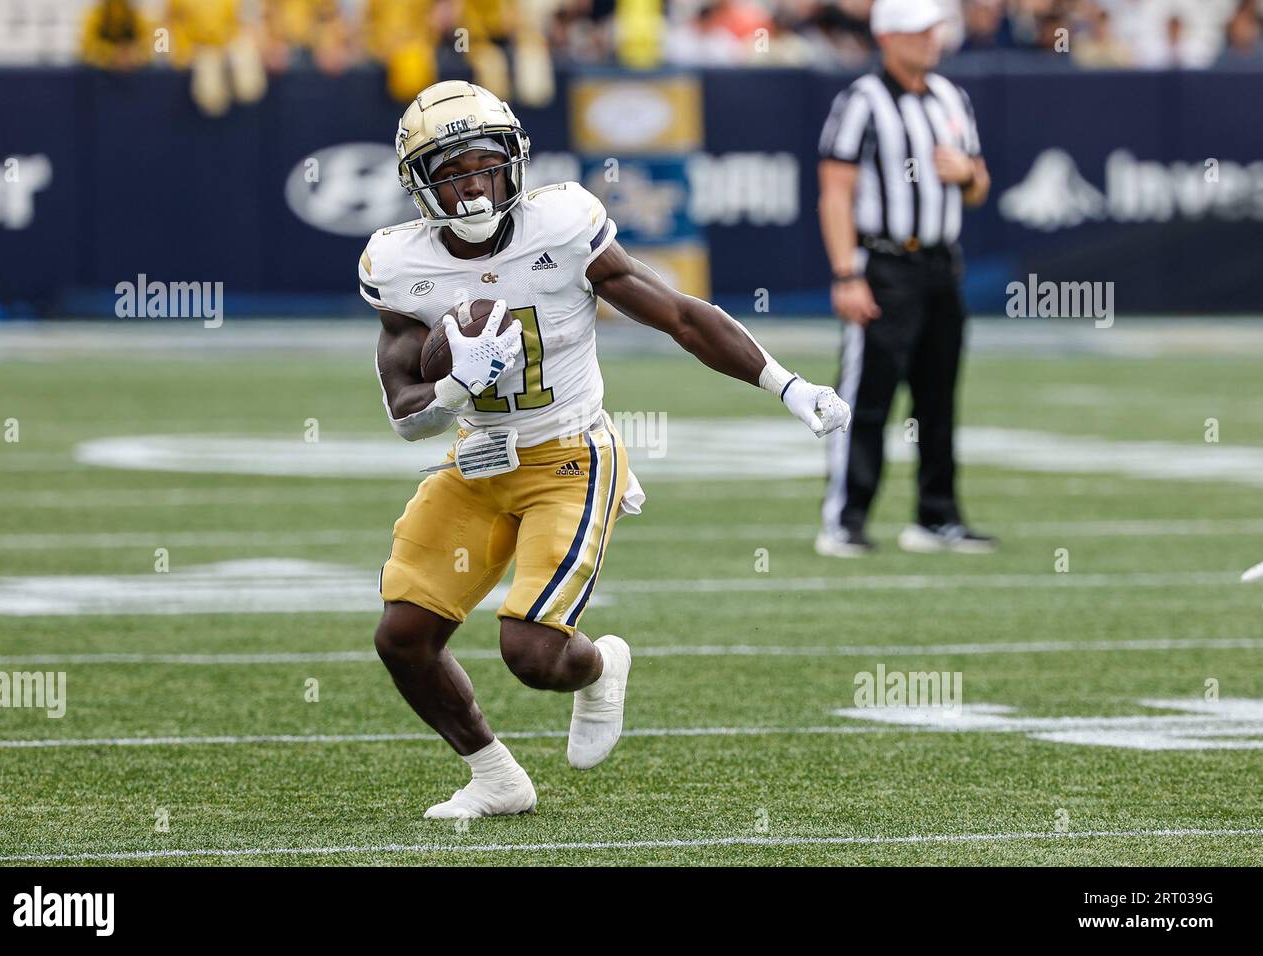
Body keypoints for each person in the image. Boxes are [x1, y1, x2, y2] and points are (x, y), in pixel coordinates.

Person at [360, 81, 851, 819]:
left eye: (484, 166)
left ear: (513, 163)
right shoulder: (400, 265)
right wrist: (460, 388)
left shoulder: (561, 227)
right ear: (421, 186)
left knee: (530, 653)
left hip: (570, 455)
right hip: (477, 459)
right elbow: (405, 417)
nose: (472, 188)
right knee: (403, 637)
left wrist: (786, 384)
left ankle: (598, 666)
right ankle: (496, 777)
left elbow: (681, 317)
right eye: (451, 172)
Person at [815, 0, 996, 557]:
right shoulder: (861, 102)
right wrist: (847, 272)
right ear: (888, 38)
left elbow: (979, 184)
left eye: (933, 30)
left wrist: (966, 173)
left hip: (941, 262)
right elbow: (836, 191)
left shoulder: (950, 97)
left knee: (939, 395)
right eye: (917, 32)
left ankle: (936, 516)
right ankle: (845, 518)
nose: (930, 40)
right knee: (868, 395)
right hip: (885, 263)